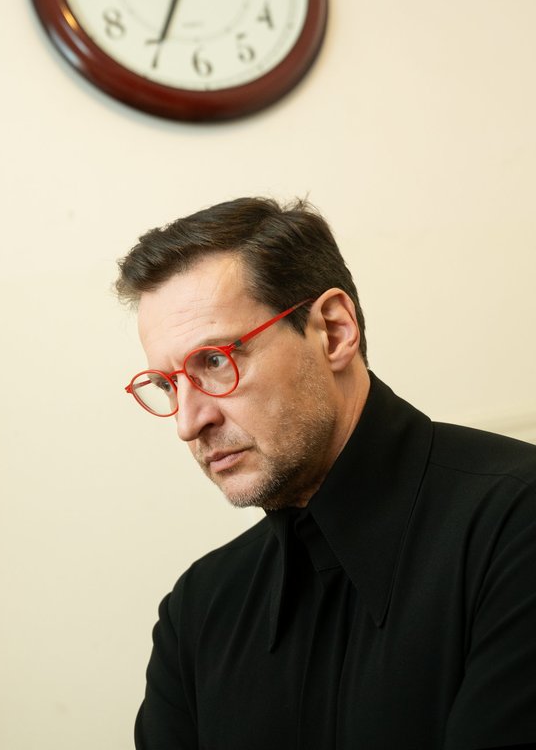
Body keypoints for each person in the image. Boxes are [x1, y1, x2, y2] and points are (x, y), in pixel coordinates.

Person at [116, 196, 536, 750]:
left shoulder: (518, 525)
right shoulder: (197, 609)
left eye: (215, 361)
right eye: (168, 385)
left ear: (334, 332)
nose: (189, 423)